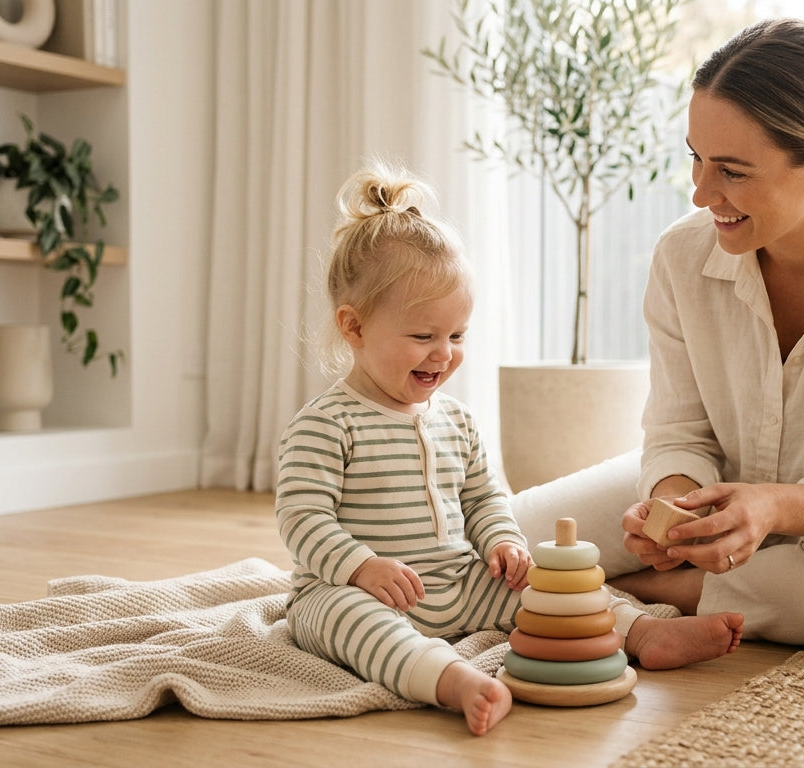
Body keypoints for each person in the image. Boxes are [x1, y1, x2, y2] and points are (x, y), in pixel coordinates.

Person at [514, 18, 804, 651]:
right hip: (718, 492)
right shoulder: (681, 256)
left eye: (731, 170)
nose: (701, 194)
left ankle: (631, 594)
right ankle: (620, 583)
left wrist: (772, 509)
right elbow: (679, 433)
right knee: (508, 536)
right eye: (696, 160)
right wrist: (671, 509)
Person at [277, 163, 742, 737]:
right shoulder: (326, 424)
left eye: (457, 336)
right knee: (349, 621)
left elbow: (485, 496)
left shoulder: (458, 421)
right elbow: (302, 518)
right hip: (353, 591)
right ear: (354, 327)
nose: (442, 354)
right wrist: (361, 567)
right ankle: (451, 680)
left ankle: (644, 633)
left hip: (456, 581)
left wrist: (501, 541)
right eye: (422, 337)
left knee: (550, 583)